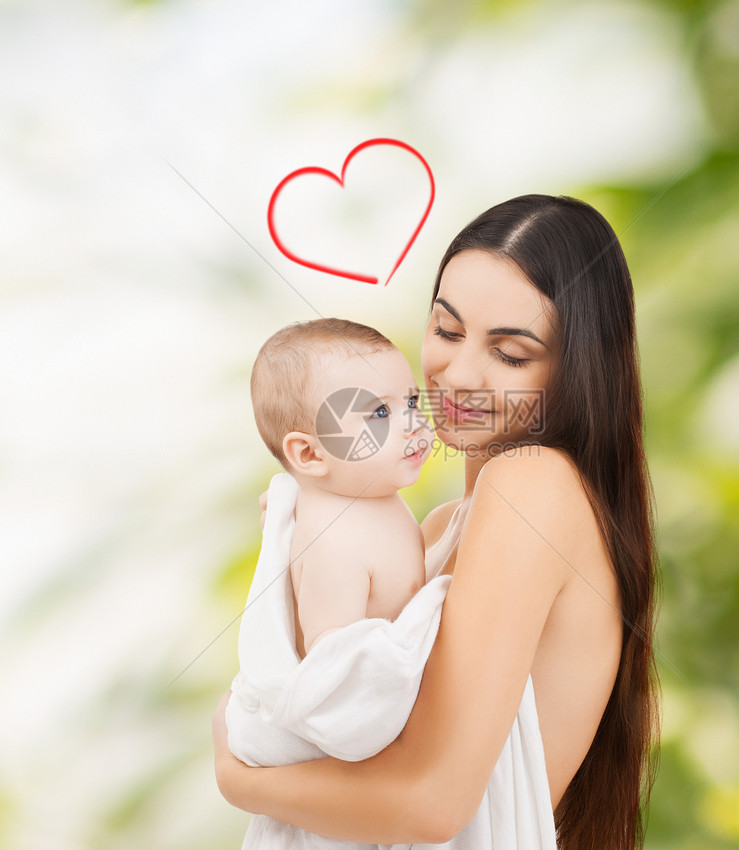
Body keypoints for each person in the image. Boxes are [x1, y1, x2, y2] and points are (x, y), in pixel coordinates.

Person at [213, 194, 660, 850]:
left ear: (575, 369)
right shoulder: (438, 527)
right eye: (447, 331)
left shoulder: (532, 484)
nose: (457, 374)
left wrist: (238, 773)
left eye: (510, 354)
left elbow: (431, 804)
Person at [227, 318, 450, 849]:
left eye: (411, 402)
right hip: (340, 791)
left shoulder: (371, 499)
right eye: (379, 412)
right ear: (309, 455)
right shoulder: (334, 540)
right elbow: (336, 678)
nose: (412, 424)